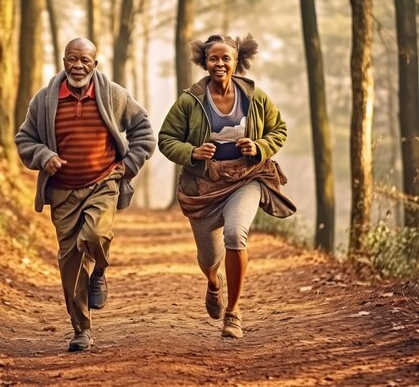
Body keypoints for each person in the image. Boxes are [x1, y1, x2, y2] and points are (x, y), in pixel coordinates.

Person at [15, 37, 156, 352]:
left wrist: (128, 165)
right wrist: (42, 156)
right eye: (71, 59)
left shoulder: (112, 94)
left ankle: (100, 269)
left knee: (94, 235)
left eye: (84, 61)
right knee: (70, 262)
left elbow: (144, 130)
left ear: (95, 63)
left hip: (102, 183)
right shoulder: (45, 99)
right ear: (63, 60)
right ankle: (81, 330)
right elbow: (24, 138)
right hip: (63, 192)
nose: (77, 66)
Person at [158, 33, 295, 339]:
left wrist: (258, 146)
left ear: (237, 62)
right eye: (213, 58)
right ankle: (213, 283)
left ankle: (232, 312)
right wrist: (192, 153)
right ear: (204, 62)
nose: (219, 63)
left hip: (246, 178)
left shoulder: (254, 96)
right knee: (208, 259)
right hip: (203, 187)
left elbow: (279, 130)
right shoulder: (189, 101)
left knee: (235, 233)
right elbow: (165, 139)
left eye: (226, 58)